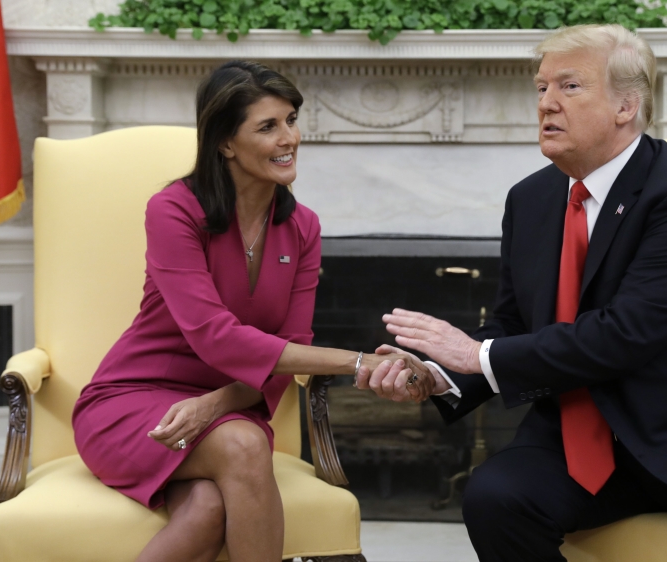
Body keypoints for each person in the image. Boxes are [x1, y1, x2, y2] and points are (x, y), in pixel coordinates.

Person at [362, 24, 667, 562]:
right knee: (494, 500)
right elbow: (513, 323)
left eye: (569, 87)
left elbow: (627, 333)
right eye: (540, 88)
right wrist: (441, 374)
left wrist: (474, 353)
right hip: (584, 439)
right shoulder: (531, 198)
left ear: (626, 106)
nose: (546, 104)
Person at [72, 61, 432, 562]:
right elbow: (214, 336)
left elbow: (293, 348)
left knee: (206, 508)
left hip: (230, 406)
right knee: (243, 446)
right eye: (267, 126)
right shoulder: (174, 210)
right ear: (225, 143)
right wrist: (360, 362)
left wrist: (216, 403)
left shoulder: (302, 226)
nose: (289, 138)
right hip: (134, 404)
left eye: (291, 119)